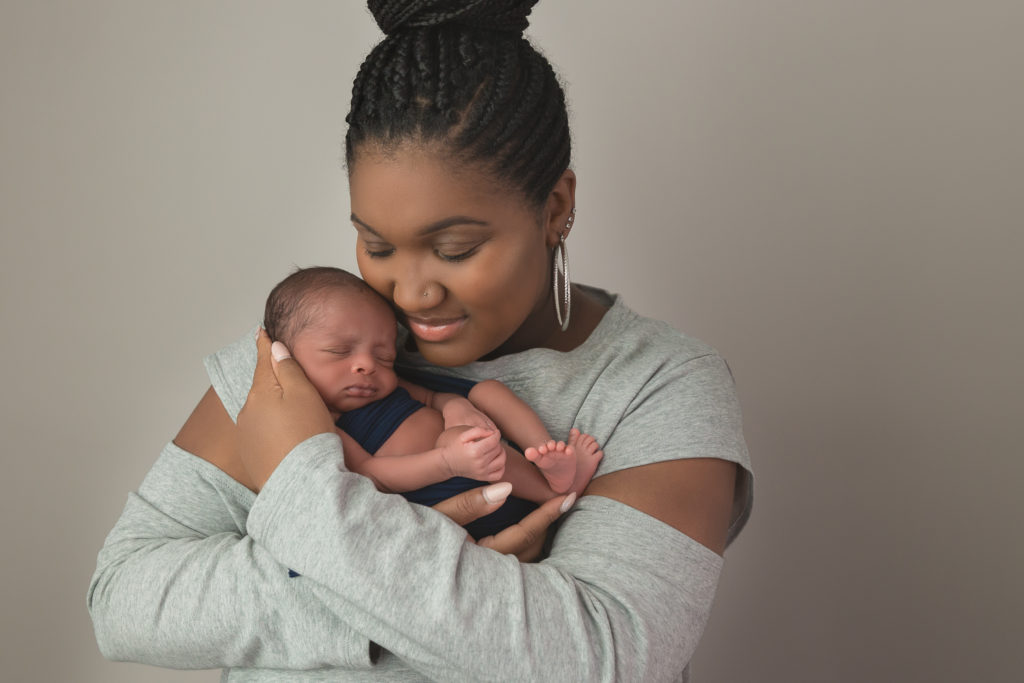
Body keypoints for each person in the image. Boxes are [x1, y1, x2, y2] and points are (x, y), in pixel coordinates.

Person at [88, 1, 754, 681]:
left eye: (454, 247)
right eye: (376, 245)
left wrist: (311, 504)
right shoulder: (308, 353)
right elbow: (124, 598)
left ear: (555, 208)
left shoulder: (658, 383)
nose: (410, 293)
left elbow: (604, 658)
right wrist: (444, 577)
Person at [261, 265, 604, 539]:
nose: (366, 365)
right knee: (463, 440)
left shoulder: (385, 388)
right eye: (339, 351)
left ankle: (546, 456)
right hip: (447, 488)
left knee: (487, 392)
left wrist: (457, 407)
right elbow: (371, 474)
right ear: (285, 359)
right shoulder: (322, 422)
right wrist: (446, 461)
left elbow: (434, 396)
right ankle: (551, 492)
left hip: (474, 457)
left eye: (384, 356)